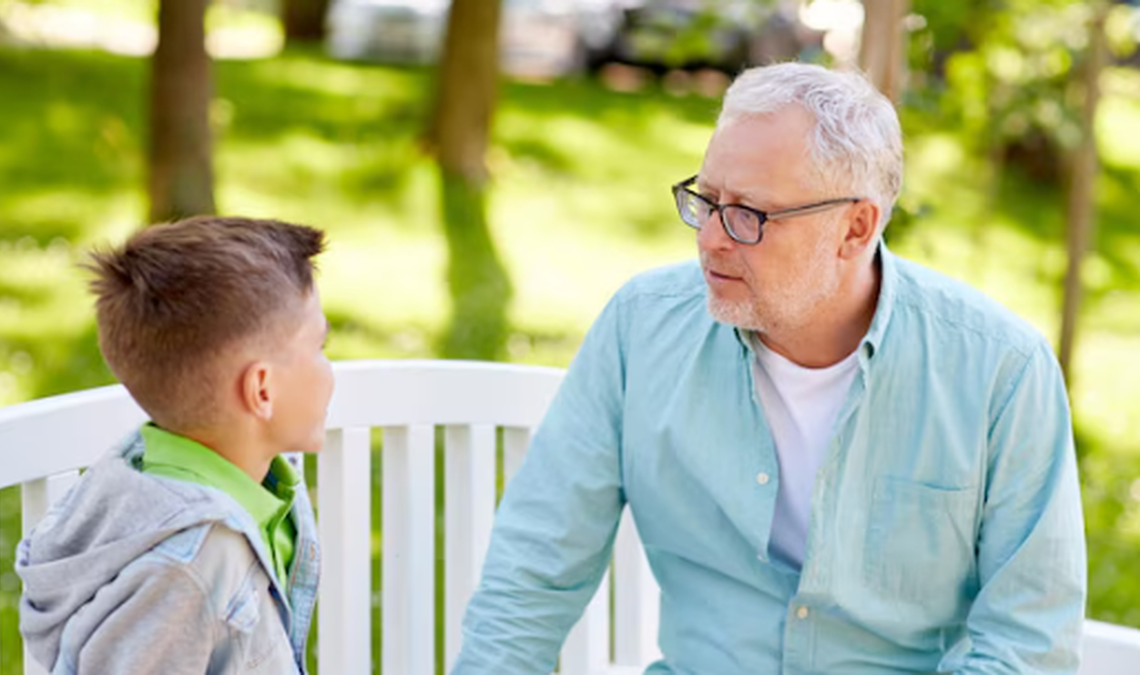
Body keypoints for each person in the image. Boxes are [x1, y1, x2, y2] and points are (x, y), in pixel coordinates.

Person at [453, 63, 1086, 674]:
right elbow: (535, 569)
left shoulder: (1001, 372)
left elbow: (1025, 645)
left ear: (854, 228)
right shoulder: (640, 328)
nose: (711, 239)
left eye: (749, 215)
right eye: (707, 200)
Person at [16, 216, 334, 674]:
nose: (328, 368)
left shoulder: (255, 482)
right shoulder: (186, 568)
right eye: (320, 346)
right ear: (262, 390)